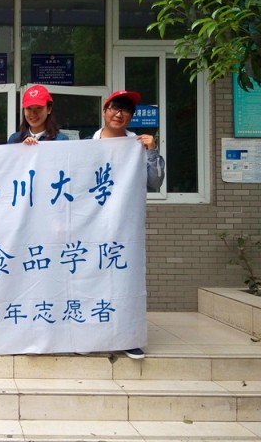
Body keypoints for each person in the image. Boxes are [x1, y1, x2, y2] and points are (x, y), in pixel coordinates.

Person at [94, 89, 166, 360]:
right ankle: (89, 335)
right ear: (105, 111)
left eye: (125, 110)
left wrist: (152, 151)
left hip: (124, 229)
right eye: (115, 107)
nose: (119, 113)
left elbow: (155, 182)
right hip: (90, 229)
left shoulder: (137, 146)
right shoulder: (87, 146)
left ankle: (128, 337)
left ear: (131, 116)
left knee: (125, 283)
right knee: (89, 281)